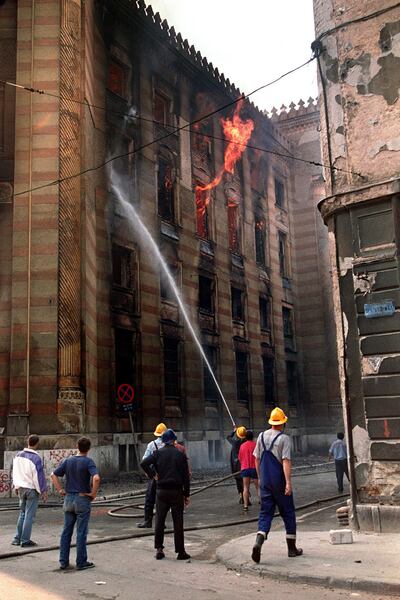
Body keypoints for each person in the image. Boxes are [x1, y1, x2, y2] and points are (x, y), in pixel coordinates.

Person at [251, 407, 302, 564]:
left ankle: (259, 541)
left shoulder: (260, 436)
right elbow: (286, 460)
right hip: (279, 481)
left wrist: (260, 479)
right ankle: (291, 549)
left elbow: (257, 459)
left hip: (265, 481)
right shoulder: (284, 439)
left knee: (266, 513)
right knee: (288, 513)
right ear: (283, 423)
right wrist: (288, 482)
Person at [140, 428, 190, 561]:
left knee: (160, 520)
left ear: (163, 440)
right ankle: (180, 551)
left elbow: (143, 463)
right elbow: (186, 476)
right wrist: (186, 494)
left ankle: (159, 549)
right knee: (178, 521)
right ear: (174, 440)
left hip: (161, 491)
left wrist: (153, 475)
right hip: (176, 491)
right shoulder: (180, 454)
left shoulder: (157, 453)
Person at [51, 437, 100, 571]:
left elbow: (53, 475)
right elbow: (96, 478)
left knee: (66, 531)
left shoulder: (68, 461)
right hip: (82, 499)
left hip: (68, 499)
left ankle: (63, 562)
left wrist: (60, 489)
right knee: (81, 532)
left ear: (77, 446)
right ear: (89, 449)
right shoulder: (88, 462)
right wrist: (93, 494)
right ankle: (81, 562)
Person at [11, 434, 48, 547]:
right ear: (37, 444)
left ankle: (17, 538)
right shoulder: (36, 458)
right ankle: (25, 540)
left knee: (22, 513)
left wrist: (16, 486)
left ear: (28, 442)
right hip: (31, 489)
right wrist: (43, 491)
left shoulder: (18, 456)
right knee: (29, 515)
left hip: (21, 488)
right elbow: (39, 477)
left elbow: (15, 473)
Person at [137, 422, 167, 528]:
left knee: (150, 498)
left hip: (155, 475)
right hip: (167, 474)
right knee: (163, 499)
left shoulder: (151, 445)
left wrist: (150, 474)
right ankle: (161, 523)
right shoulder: (170, 445)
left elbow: (144, 461)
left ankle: (148, 521)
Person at [238, 430, 259, 511]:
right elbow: (259, 457)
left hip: (245, 469)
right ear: (252, 437)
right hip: (254, 468)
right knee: (258, 487)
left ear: (245, 437)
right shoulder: (255, 445)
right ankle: (262, 502)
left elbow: (240, 458)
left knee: (246, 488)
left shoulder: (242, 446)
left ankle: (245, 506)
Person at [227, 426, 247, 503]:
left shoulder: (234, 442)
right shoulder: (245, 442)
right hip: (244, 464)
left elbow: (228, 437)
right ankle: (246, 495)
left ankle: (242, 496)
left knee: (238, 481)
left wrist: (234, 432)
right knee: (244, 481)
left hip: (236, 465)